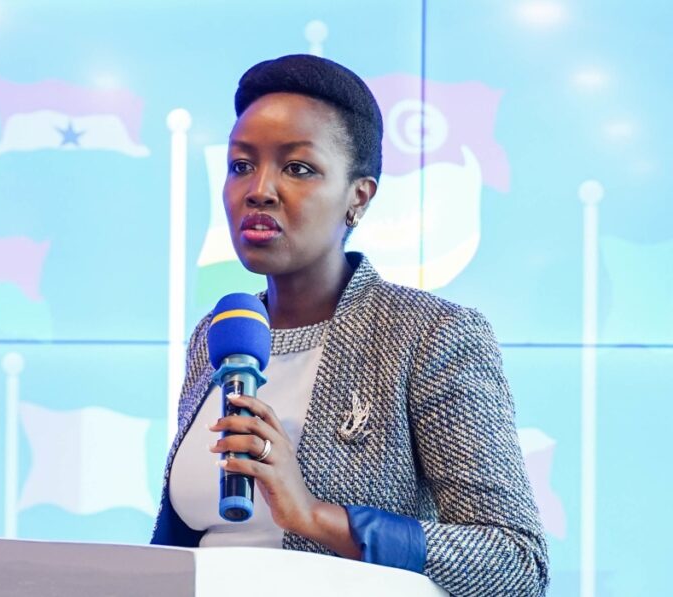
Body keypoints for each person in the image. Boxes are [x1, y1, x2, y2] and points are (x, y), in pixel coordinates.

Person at [150, 54, 549, 596]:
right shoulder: (218, 335)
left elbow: (517, 563)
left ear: (358, 197)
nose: (258, 190)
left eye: (297, 168)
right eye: (241, 165)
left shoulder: (429, 334)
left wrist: (314, 515)